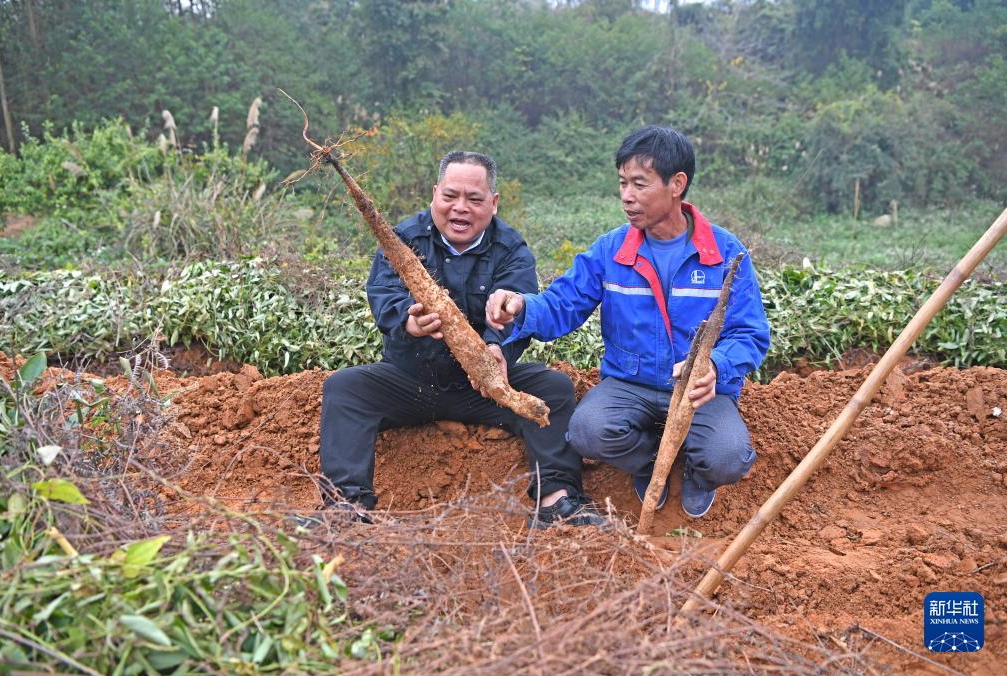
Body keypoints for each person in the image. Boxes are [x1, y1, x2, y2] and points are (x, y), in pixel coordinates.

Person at [486, 126, 769, 519]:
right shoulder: (612, 249)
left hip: (698, 392)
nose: (626, 196)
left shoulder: (725, 253)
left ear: (677, 184)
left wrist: (715, 366)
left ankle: (695, 472)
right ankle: (652, 462)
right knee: (588, 431)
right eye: (622, 183)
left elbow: (750, 333)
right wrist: (522, 307)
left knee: (728, 458)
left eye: (639, 183)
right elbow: (563, 303)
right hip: (629, 385)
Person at [317, 150, 604, 528]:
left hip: (486, 387)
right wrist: (409, 319)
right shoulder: (404, 237)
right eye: (450, 196)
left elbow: (515, 308)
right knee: (345, 388)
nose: (460, 209)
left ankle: (556, 501)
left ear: (494, 203)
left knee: (552, 388)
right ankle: (345, 506)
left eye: (474, 199)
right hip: (411, 380)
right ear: (435, 194)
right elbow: (383, 292)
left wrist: (495, 348)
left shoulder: (511, 250)